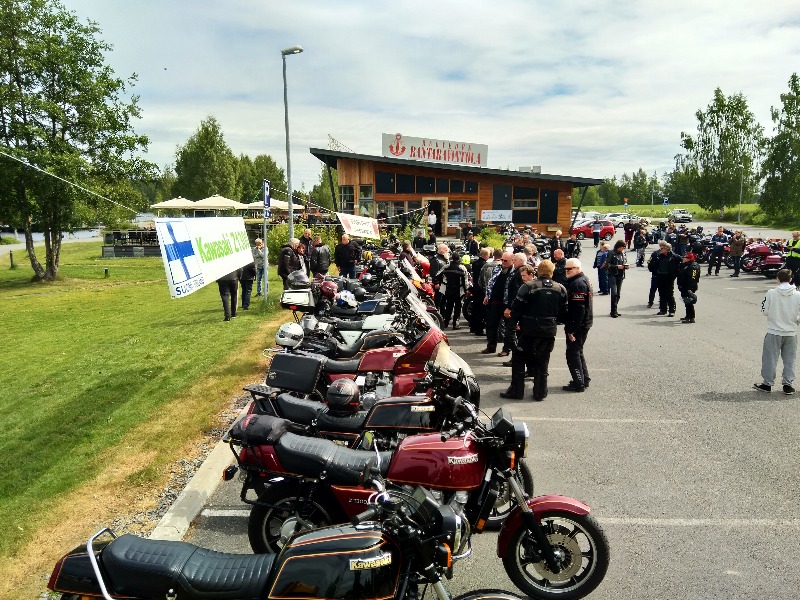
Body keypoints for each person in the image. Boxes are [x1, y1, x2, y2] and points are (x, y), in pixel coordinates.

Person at [503, 261, 567, 401]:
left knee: (519, 358)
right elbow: (564, 313)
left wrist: (511, 329)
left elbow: (516, 309)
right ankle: (540, 392)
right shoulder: (560, 288)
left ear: (538, 271)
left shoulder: (528, 287)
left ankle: (517, 391)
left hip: (529, 330)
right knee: (543, 361)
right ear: (552, 272)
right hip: (548, 330)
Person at [754, 269, 800, 394]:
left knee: (770, 358)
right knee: (790, 359)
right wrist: (796, 319)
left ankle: (767, 383)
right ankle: (787, 384)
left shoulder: (771, 293)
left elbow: (765, 310)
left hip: (774, 330)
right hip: (791, 332)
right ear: (791, 279)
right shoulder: (798, 294)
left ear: (777, 279)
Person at [563, 258, 593, 392]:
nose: (567, 271)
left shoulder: (578, 284)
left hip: (579, 325)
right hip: (583, 323)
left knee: (572, 353)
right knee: (578, 351)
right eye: (566, 269)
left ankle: (579, 383)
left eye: (569, 269)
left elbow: (579, 310)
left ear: (577, 269)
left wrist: (572, 330)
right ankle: (584, 379)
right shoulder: (582, 280)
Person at [481, 251, 514, 355]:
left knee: (508, 327)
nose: (503, 262)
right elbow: (490, 282)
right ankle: (491, 347)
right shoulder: (497, 268)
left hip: (506, 303)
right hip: (495, 301)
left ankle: (506, 349)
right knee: (491, 325)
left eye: (506, 261)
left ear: (512, 261)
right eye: (502, 260)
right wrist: (487, 295)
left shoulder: (514, 272)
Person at [650, 241, 680, 316]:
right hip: (660, 276)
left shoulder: (674, 256)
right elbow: (652, 264)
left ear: (667, 249)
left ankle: (672, 310)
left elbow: (681, 263)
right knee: (661, 293)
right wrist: (655, 271)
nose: (660, 249)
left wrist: (675, 273)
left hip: (669, 277)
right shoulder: (659, 256)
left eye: (662, 248)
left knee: (669, 294)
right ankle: (663, 310)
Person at [441, 253, 468, 329]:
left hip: (449, 289)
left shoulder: (446, 267)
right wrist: (466, 290)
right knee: (458, 307)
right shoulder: (462, 268)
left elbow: (439, 275)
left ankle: (446, 322)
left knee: (449, 306)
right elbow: (465, 280)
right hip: (458, 290)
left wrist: (441, 284)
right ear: (459, 258)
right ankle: (455, 324)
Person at [606, 240, 629, 318]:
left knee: (618, 294)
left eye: (624, 248)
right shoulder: (611, 253)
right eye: (622, 248)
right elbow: (607, 264)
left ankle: (614, 310)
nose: (623, 249)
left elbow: (625, 262)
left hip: (620, 275)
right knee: (614, 293)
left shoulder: (623, 253)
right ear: (618, 247)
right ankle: (613, 312)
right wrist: (616, 266)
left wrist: (625, 266)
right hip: (613, 275)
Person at [676, 252, 701, 323]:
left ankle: (691, 317)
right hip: (683, 286)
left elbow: (693, 278)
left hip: (688, 287)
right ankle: (687, 316)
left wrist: (690, 288)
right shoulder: (685, 265)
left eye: (685, 257)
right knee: (686, 302)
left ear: (689, 259)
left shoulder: (693, 266)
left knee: (689, 302)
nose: (683, 258)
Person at [470, 247, 489, 335]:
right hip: (481, 288)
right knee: (481, 309)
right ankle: (479, 329)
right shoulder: (484, 265)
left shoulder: (474, 263)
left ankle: (472, 326)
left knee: (475, 307)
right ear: (485, 255)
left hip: (475, 287)